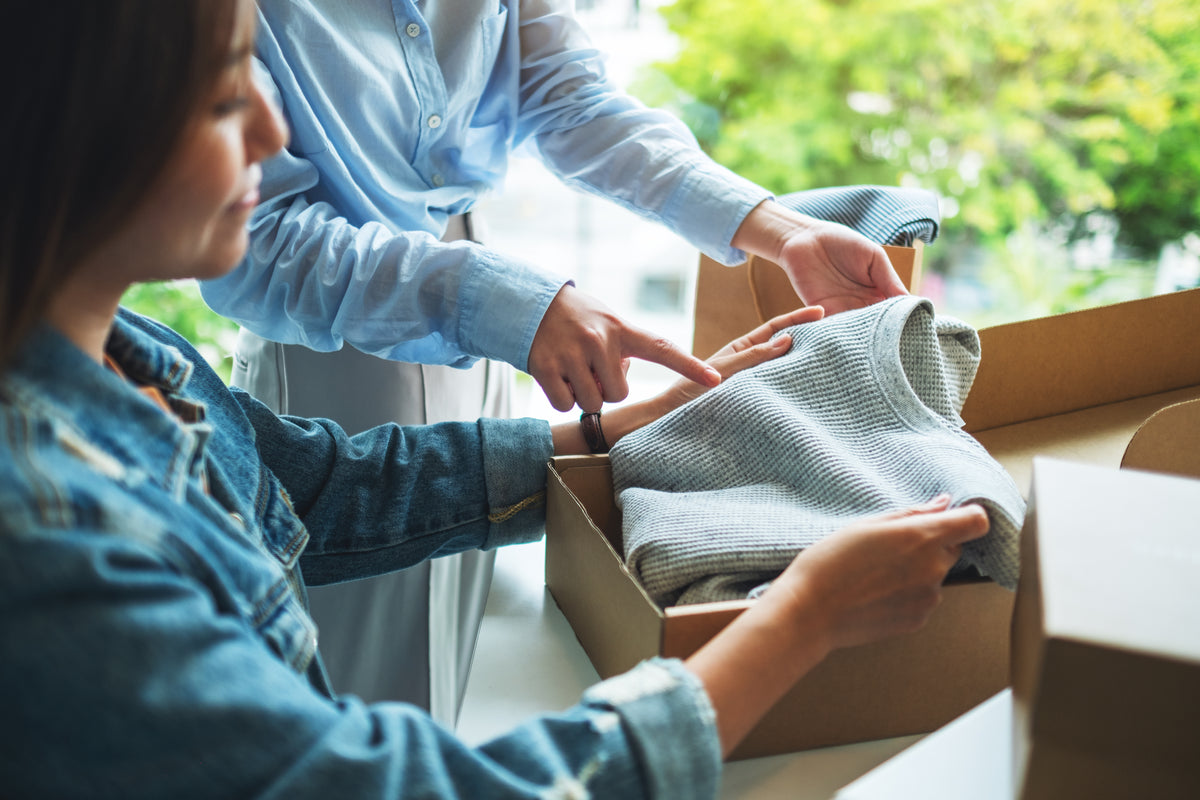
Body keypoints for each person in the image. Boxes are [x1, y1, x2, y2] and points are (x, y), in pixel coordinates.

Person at [0, 2, 990, 797]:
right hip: (355, 343)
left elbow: (320, 486)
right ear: (76, 129)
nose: (272, 130)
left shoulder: (134, 356)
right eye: (227, 100)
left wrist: (616, 428)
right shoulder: (51, 539)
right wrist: (803, 618)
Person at [198, 0, 911, 720]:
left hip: (473, 308)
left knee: (458, 659)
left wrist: (783, 231)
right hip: (336, 337)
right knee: (366, 691)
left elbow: (572, 103)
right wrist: (510, 304)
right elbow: (255, 244)